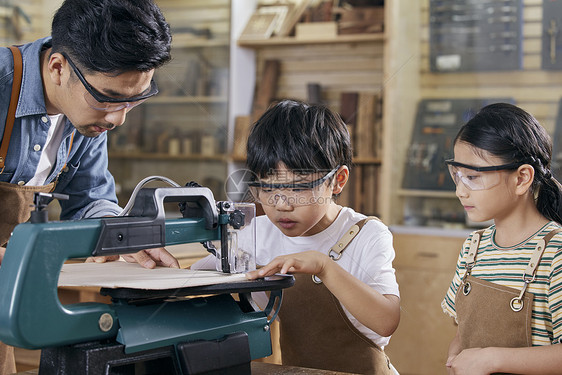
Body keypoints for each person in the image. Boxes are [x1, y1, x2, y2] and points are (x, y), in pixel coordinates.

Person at [0, 0, 180, 372]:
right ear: (58, 68)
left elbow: (89, 200)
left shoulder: (89, 117)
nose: (118, 118)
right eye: (109, 98)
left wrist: (125, 237)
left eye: (134, 100)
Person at [193, 99, 400, 374]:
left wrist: (325, 267)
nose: (281, 204)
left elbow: (387, 320)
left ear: (337, 180)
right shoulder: (257, 233)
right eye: (266, 188)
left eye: (298, 189)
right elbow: (197, 277)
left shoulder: (367, 234)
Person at [441, 103, 562, 375]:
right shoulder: (474, 246)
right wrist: (456, 352)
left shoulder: (556, 253)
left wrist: (490, 359)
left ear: (521, 178)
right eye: (457, 176)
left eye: (472, 177)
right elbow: (465, 329)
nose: (460, 191)